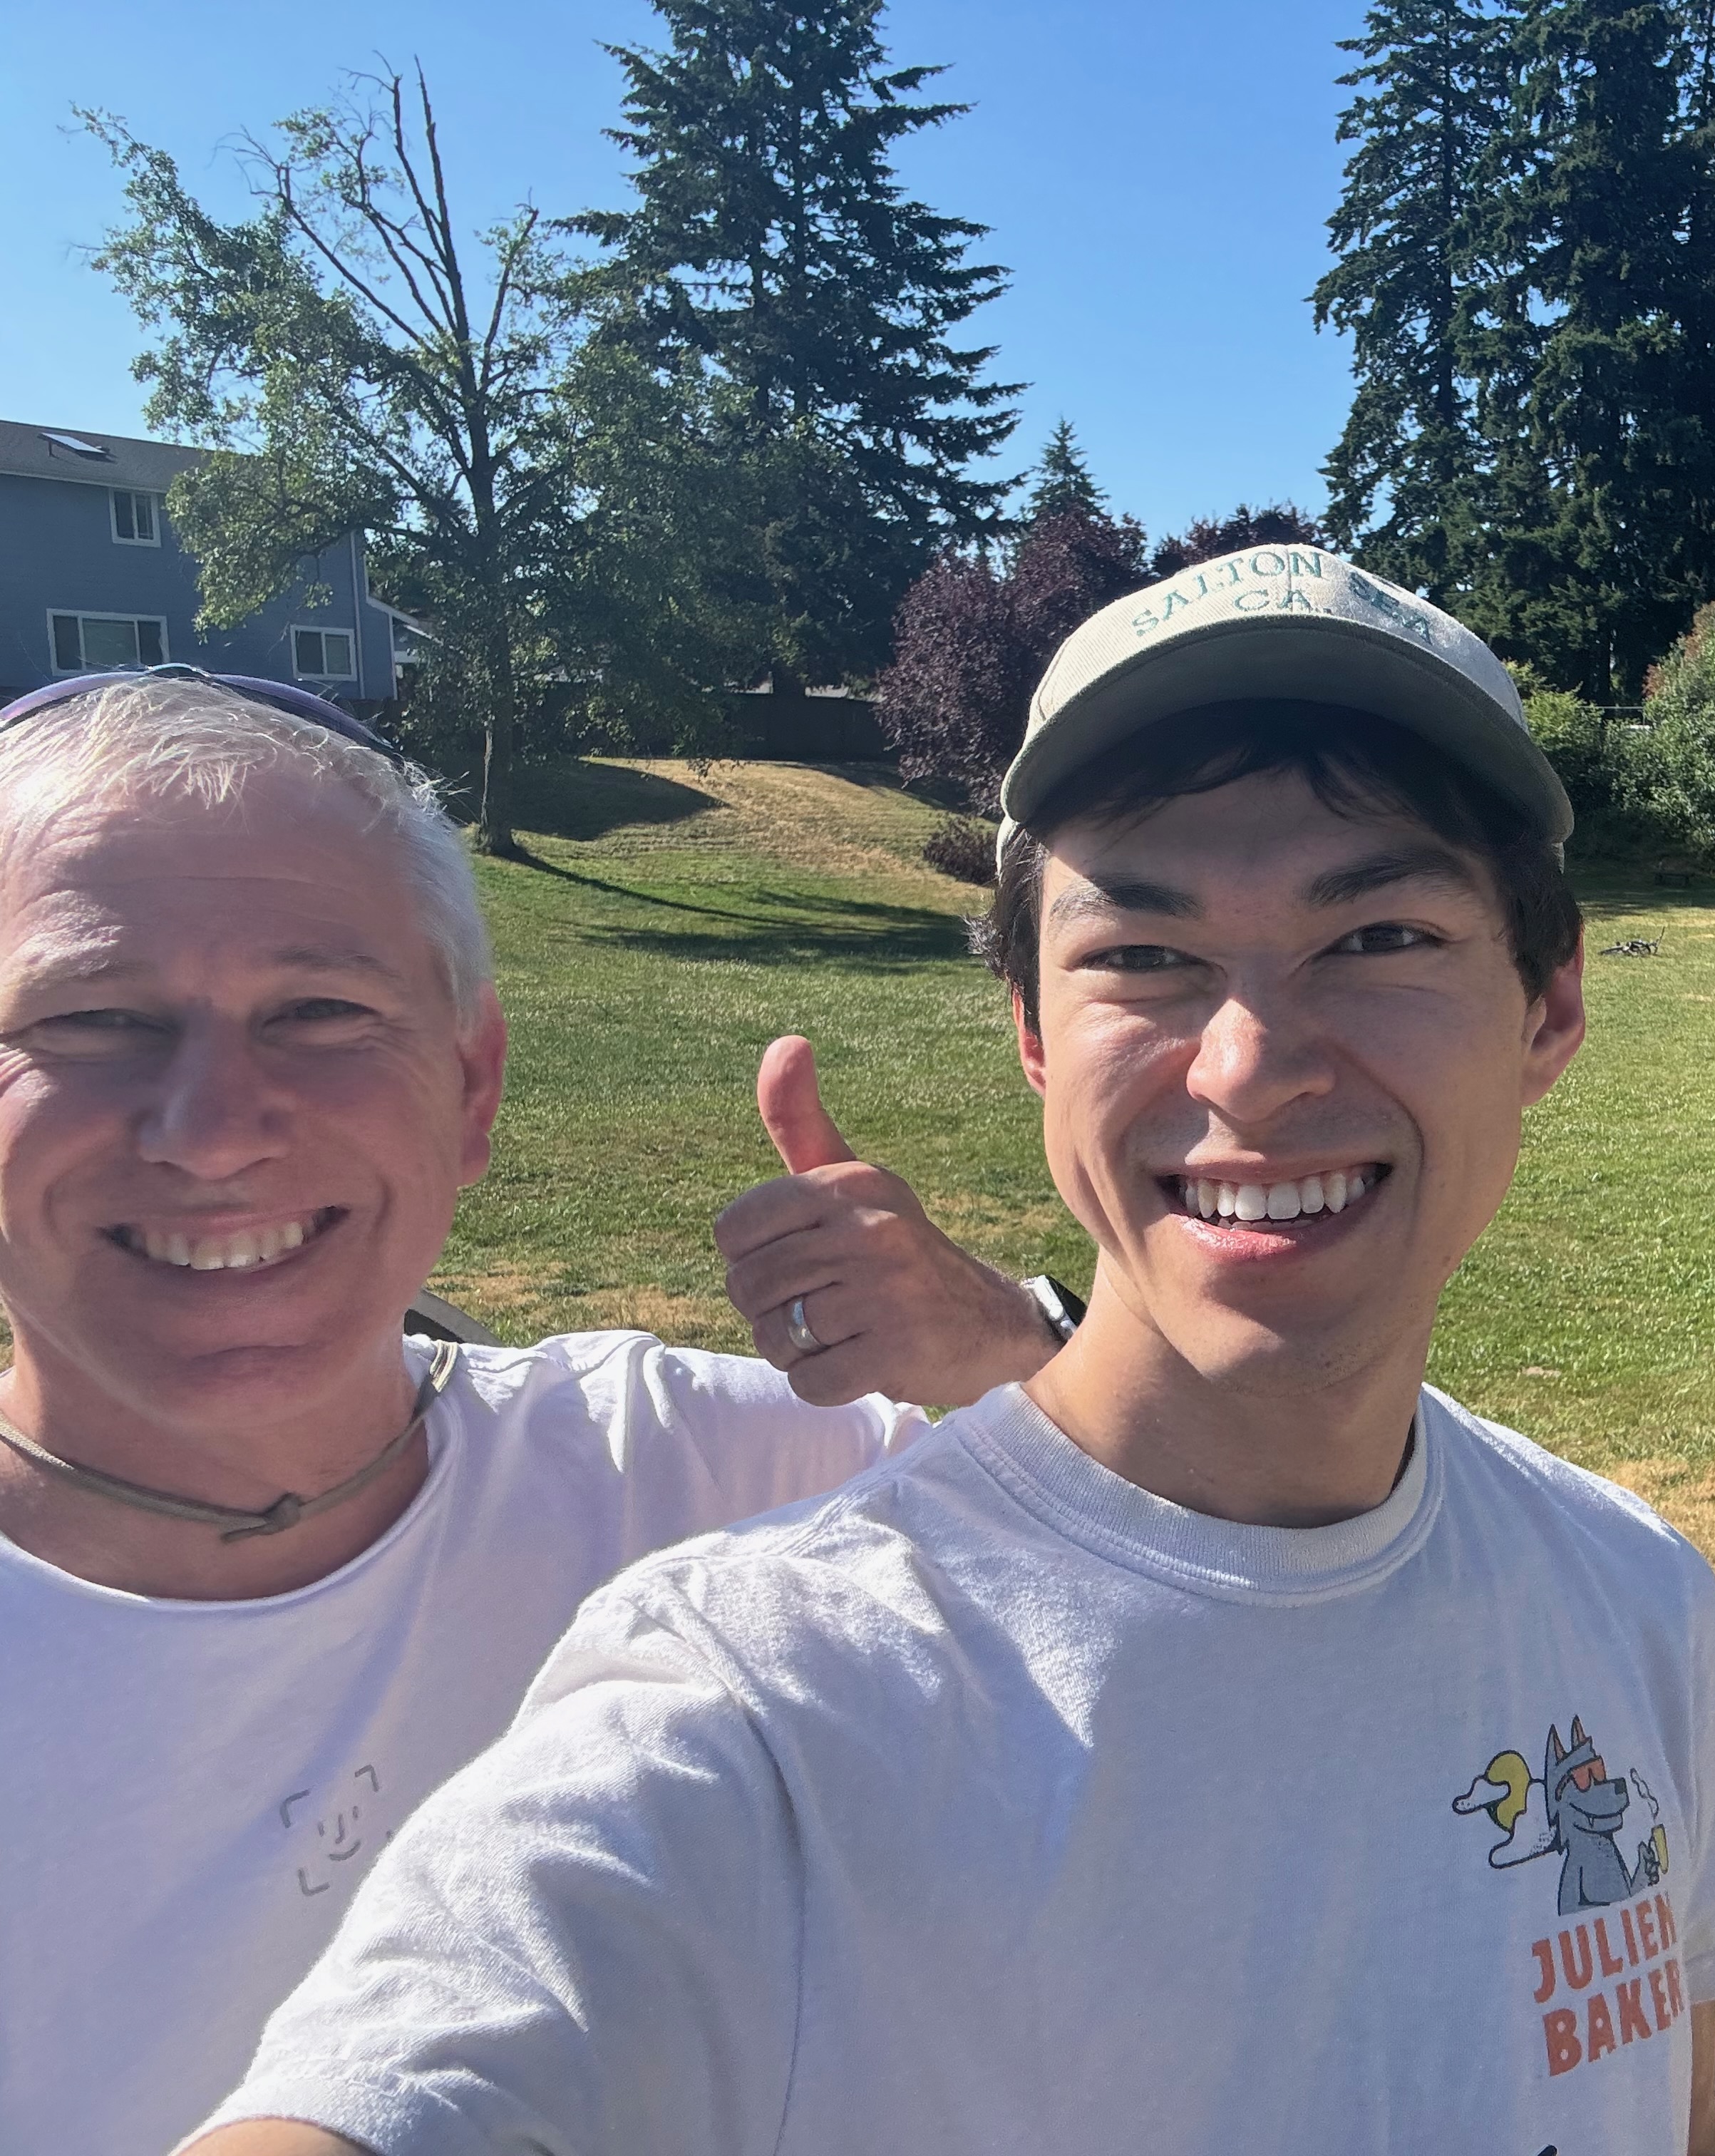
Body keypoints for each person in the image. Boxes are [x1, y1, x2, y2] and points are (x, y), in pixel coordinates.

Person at [188, 545, 1715, 2156]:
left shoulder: (1631, 1599)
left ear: (1549, 1006)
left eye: (1379, 938)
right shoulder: (769, 1696)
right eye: (1146, 955)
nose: (1254, 1068)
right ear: (1035, 1038)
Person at [0, 668, 1061, 2156]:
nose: (216, 1128)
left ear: (473, 1084)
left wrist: (1013, 1341)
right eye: (96, 1018)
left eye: (319, 1011)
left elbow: (1218, 1566)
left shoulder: (689, 1475)